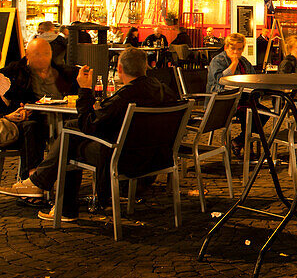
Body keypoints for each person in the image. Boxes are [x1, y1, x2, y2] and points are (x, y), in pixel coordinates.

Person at [0, 48, 175, 221]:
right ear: (145, 67)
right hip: (156, 156)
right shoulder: (163, 90)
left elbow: (88, 125)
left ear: (119, 69)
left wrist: (84, 89)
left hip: (124, 158)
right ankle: (41, 184)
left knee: (69, 140)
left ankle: (59, 204)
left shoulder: (125, 96)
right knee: (71, 129)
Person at [0, 38, 80, 178]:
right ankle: (32, 178)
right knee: (32, 127)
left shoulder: (59, 72)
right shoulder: (12, 73)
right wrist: (10, 115)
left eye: (46, 54)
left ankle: (64, 188)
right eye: (37, 54)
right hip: (22, 124)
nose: (42, 58)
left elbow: (71, 76)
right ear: (27, 54)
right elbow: (8, 104)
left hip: (52, 119)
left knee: (70, 129)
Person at [206, 33, 254, 155]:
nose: (236, 52)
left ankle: (239, 141)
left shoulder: (244, 62)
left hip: (241, 99)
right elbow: (220, 80)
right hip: (222, 101)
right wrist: (233, 63)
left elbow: (252, 77)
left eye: (239, 49)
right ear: (226, 47)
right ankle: (246, 144)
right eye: (232, 48)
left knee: (262, 112)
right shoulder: (218, 60)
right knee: (249, 112)